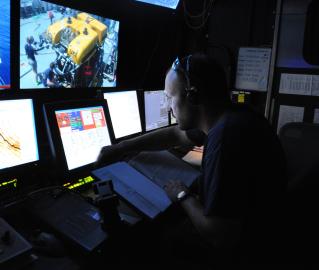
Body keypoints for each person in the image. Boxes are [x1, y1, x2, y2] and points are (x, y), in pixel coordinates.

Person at [96, 53, 287, 265]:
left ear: (193, 96)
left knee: (148, 236)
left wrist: (182, 195)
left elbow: (221, 236)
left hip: (246, 252)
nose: (168, 106)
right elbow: (176, 135)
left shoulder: (225, 138)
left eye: (170, 97)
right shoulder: (233, 115)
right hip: (265, 232)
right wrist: (121, 147)